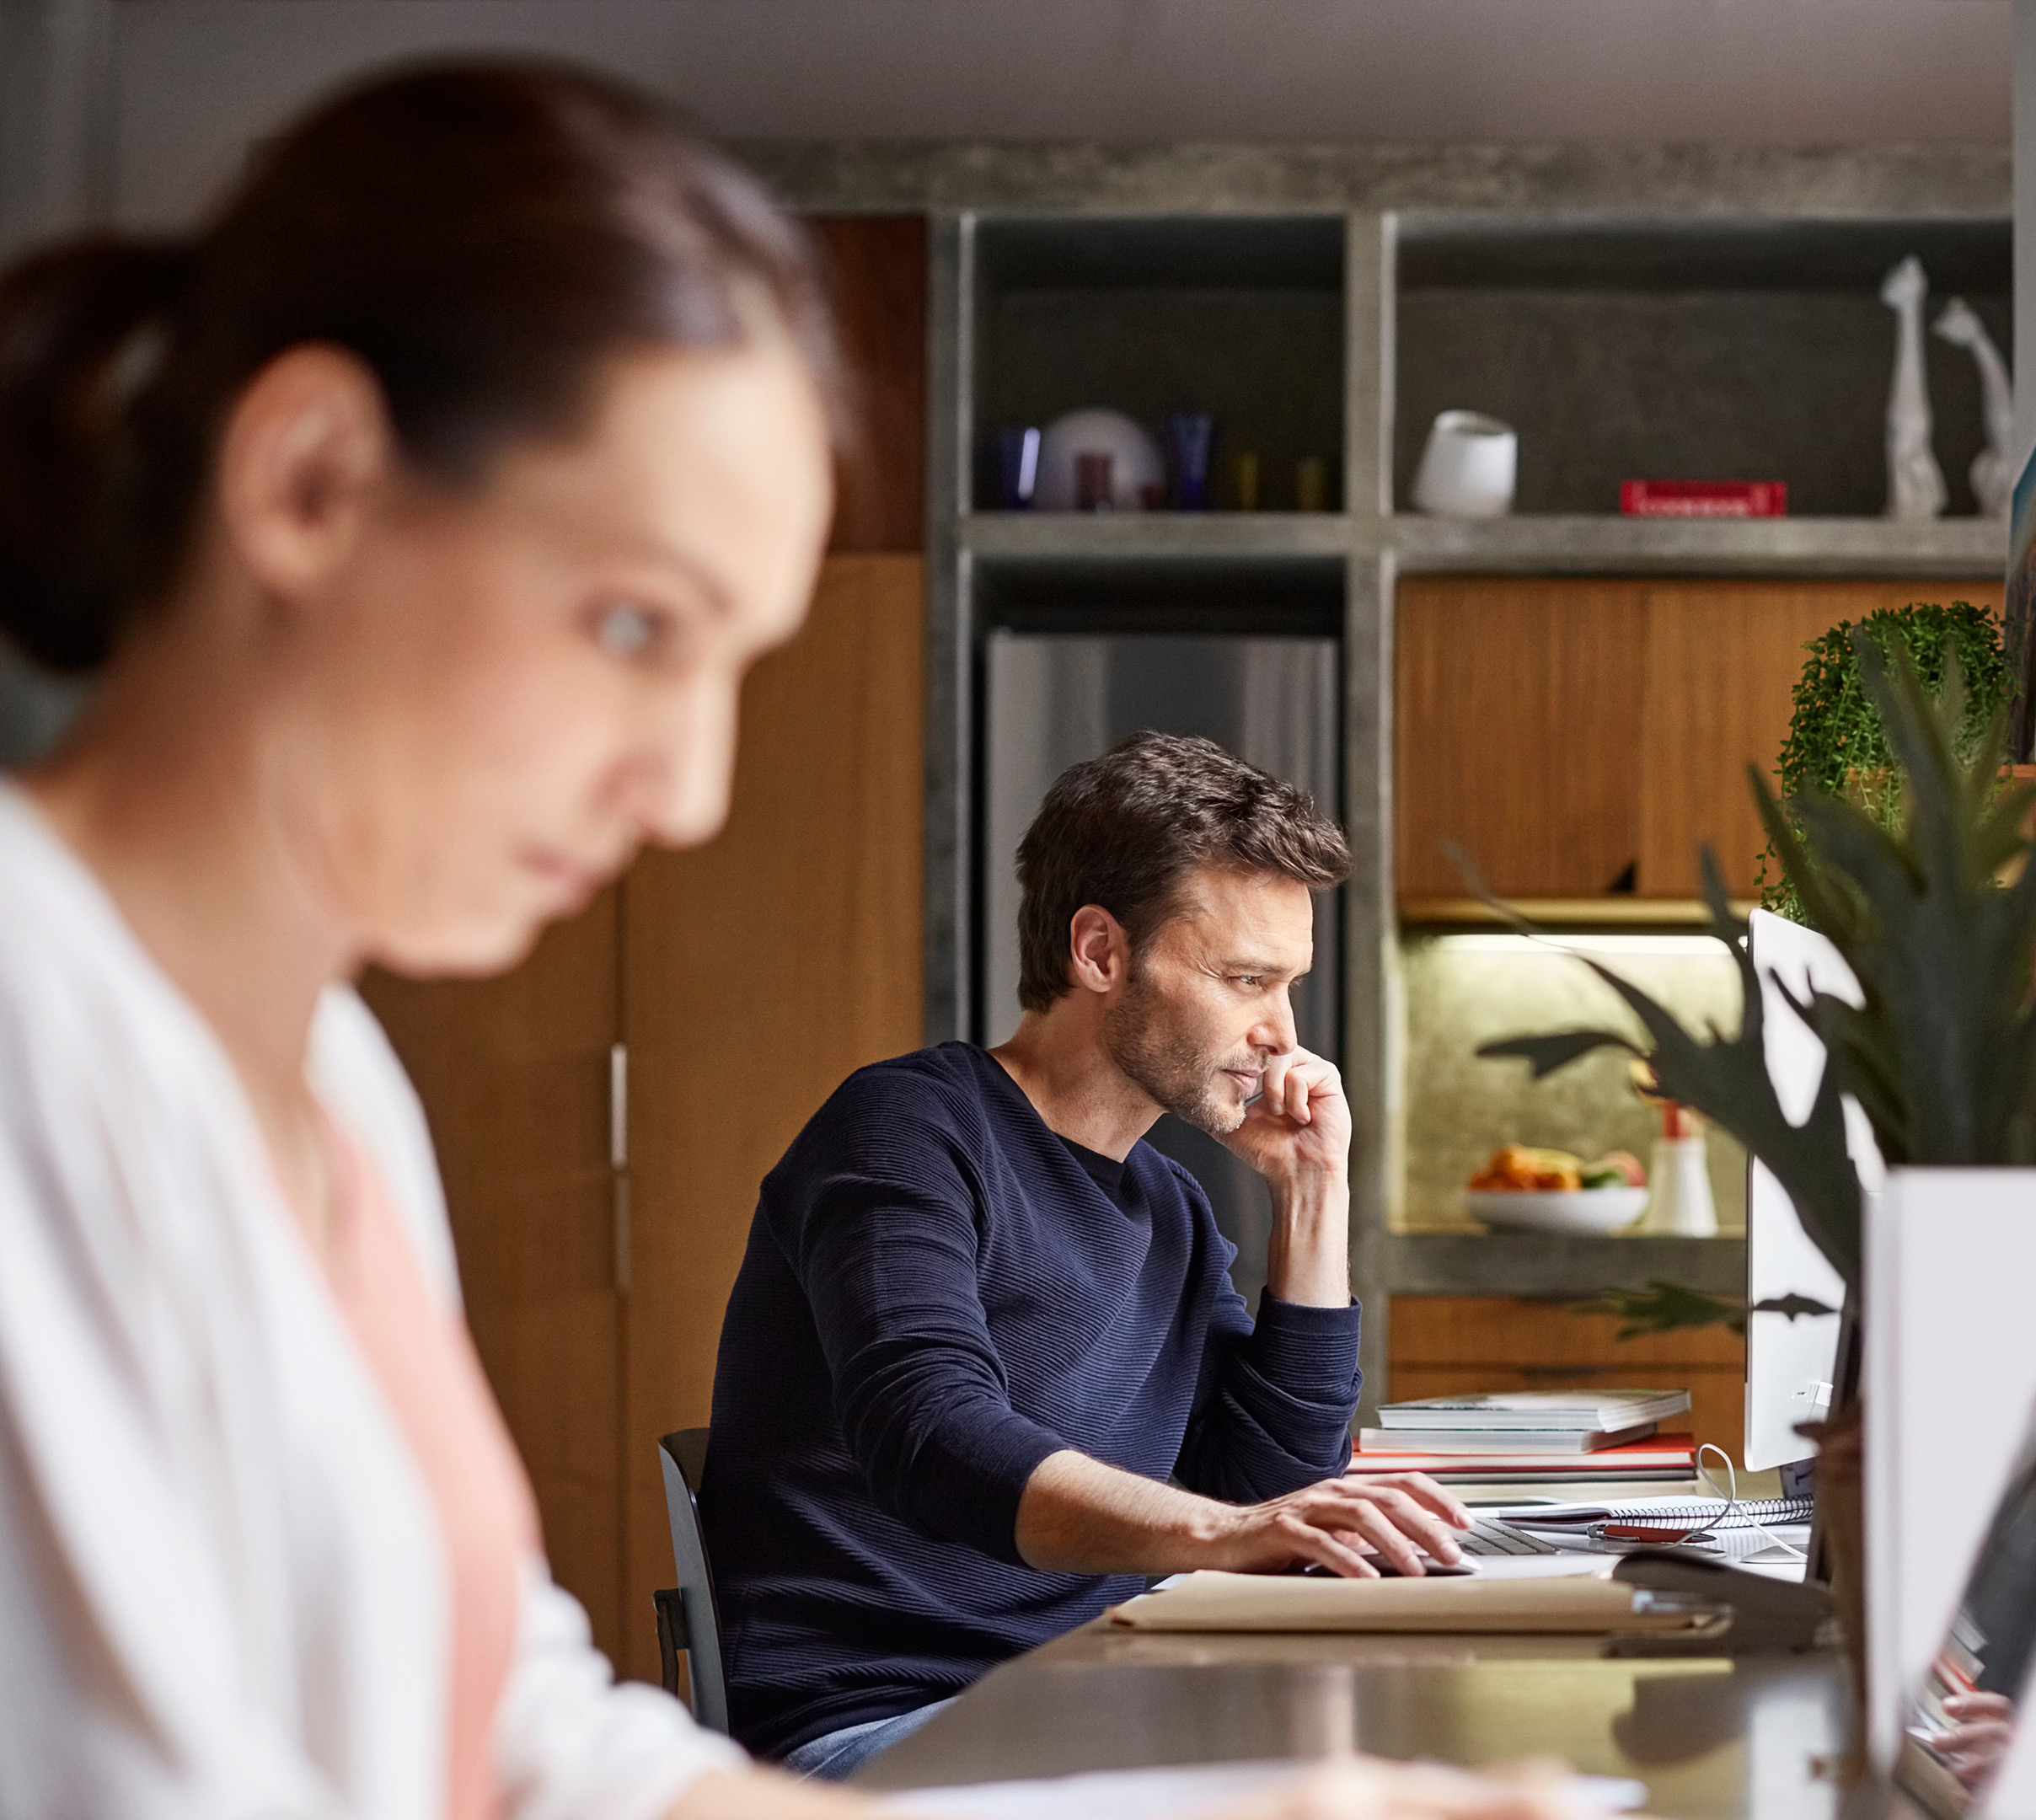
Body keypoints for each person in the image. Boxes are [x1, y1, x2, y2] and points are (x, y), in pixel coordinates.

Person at [0, 57, 1556, 1820]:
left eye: (732, 666)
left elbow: (533, 1752)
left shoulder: (327, 1084)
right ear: (310, 482)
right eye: (634, 621)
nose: (689, 788)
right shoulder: (35, 1035)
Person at [702, 732, 1471, 1778]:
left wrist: (1312, 1191)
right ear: (1101, 952)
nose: (1282, 1036)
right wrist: (1222, 1534)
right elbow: (928, 1430)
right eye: (1246, 980)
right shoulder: (905, 1132)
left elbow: (1270, 1494)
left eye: (1288, 986)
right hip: (877, 1730)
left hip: (1105, 1705)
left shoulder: (1172, 1208)